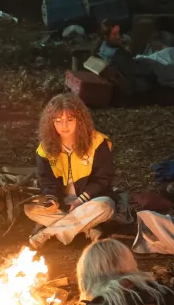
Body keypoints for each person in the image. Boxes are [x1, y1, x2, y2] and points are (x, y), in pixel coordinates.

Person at [26, 93, 116, 249]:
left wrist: (80, 200)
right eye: (58, 121)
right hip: (63, 202)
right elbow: (47, 181)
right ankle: (88, 228)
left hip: (90, 201)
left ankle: (47, 233)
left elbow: (103, 179)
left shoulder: (97, 142)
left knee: (105, 207)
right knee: (30, 209)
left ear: (79, 120)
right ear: (51, 122)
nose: (64, 126)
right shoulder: (45, 149)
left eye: (69, 120)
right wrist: (52, 199)